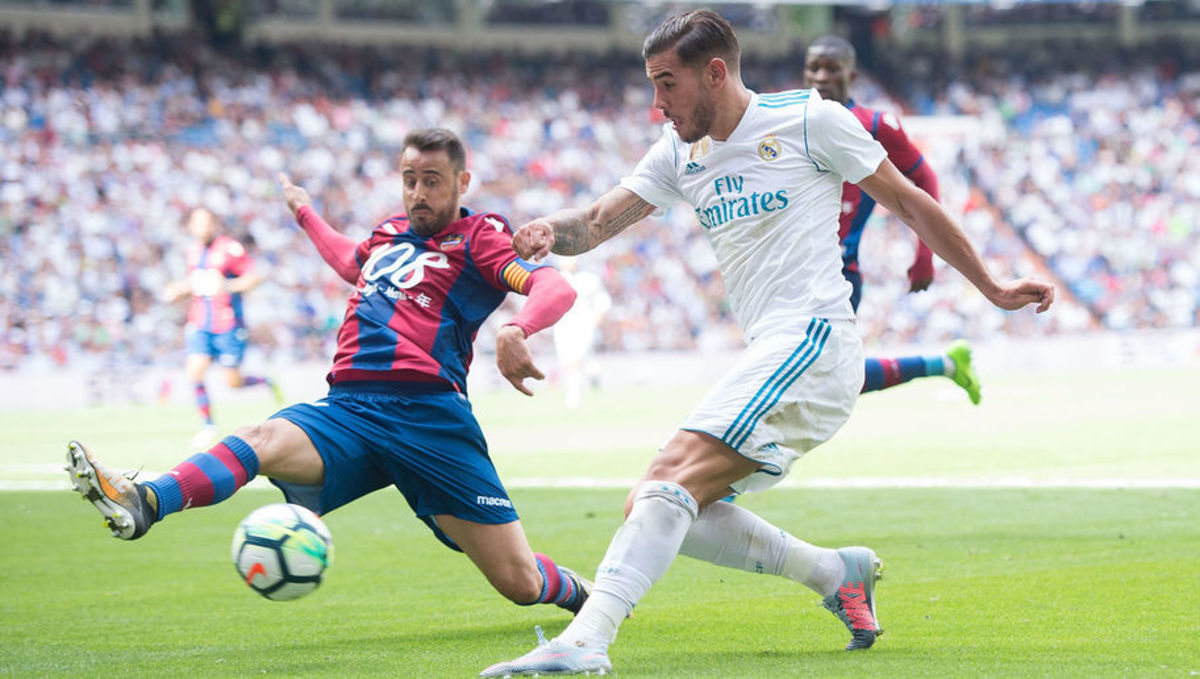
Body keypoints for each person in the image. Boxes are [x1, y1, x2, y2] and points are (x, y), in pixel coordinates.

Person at [480, 10, 1053, 676]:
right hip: (772, 350)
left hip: (815, 339)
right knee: (657, 504)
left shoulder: (810, 120)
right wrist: (548, 230)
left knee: (670, 479)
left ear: (714, 73)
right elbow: (596, 221)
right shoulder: (679, 151)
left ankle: (586, 639)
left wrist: (992, 286)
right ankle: (833, 571)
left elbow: (908, 200)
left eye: (667, 84)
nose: (657, 103)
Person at [67, 128, 593, 619]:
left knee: (519, 583)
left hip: (429, 418)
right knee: (258, 439)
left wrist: (517, 328)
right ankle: (147, 500)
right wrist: (305, 213)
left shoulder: (480, 236)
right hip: (350, 408)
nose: (418, 193)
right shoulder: (388, 234)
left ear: (462, 182)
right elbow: (348, 261)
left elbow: (554, 286)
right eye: (409, 179)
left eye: (432, 181)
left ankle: (584, 594)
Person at [804, 35, 980, 404]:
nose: (821, 77)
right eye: (814, 68)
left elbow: (925, 179)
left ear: (851, 75)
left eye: (832, 69)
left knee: (813, 379)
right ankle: (945, 364)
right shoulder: (789, 122)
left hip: (838, 274)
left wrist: (925, 254)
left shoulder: (874, 126)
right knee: (827, 380)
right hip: (790, 272)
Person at [163, 207, 283, 448]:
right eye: (197, 223)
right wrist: (178, 290)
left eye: (206, 222)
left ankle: (264, 381)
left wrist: (227, 286)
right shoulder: (192, 252)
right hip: (199, 322)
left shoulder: (230, 248)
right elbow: (196, 284)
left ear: (214, 224)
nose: (202, 228)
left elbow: (254, 277)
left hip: (227, 324)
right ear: (191, 227)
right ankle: (207, 426)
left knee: (232, 382)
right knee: (195, 370)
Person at [553, 257, 612, 410]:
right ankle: (593, 372)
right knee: (567, 361)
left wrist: (594, 321)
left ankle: (573, 396)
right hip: (562, 325)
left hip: (584, 324)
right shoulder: (555, 279)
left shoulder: (589, 279)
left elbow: (602, 302)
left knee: (576, 360)